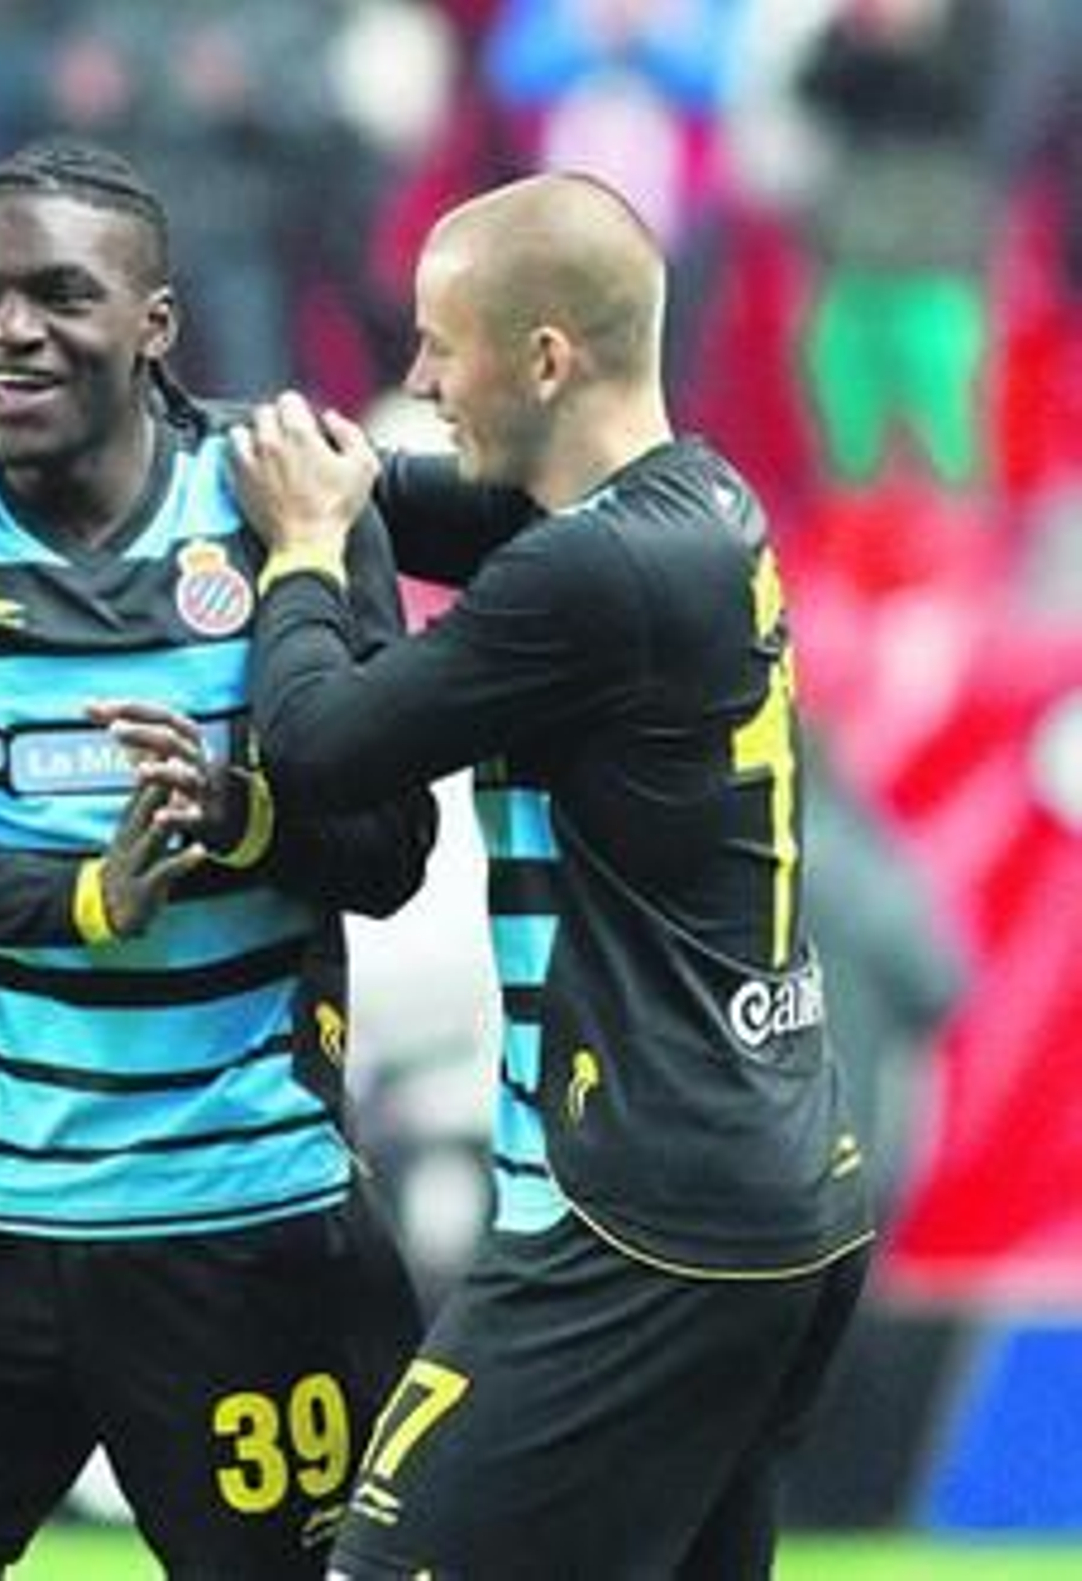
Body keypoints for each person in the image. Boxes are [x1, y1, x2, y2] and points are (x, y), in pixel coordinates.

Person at [0, 137, 434, 1579]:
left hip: (247, 1221)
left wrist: (244, 816)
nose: (10, 328)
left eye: (62, 294)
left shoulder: (285, 502)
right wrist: (76, 896)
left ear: (157, 326)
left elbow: (392, 851)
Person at [216, 171, 876, 1580]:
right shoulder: (693, 506)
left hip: (635, 1224)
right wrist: (154, 437)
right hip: (766, 1190)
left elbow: (323, 743)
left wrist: (305, 557)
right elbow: (402, 493)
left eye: (439, 345)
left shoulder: (591, 580)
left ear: (543, 358)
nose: (416, 379)